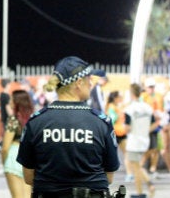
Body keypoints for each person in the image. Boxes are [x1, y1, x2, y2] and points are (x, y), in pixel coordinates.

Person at [16, 56, 120, 198]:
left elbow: (28, 177)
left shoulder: (35, 122)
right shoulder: (101, 122)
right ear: (78, 83)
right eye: (89, 80)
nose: (91, 84)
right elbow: (109, 176)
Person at [125, 83, 156, 198]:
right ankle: (149, 185)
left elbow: (127, 128)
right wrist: (144, 130)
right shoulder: (147, 107)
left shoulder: (129, 109)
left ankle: (140, 192)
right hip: (144, 140)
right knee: (138, 165)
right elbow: (154, 124)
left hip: (134, 140)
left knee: (136, 167)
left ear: (131, 93)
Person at [2, 89, 34, 198]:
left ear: (17, 102)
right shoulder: (33, 119)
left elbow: (5, 147)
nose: (9, 102)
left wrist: (4, 162)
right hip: (29, 160)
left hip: (13, 158)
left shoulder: (13, 120)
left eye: (11, 99)